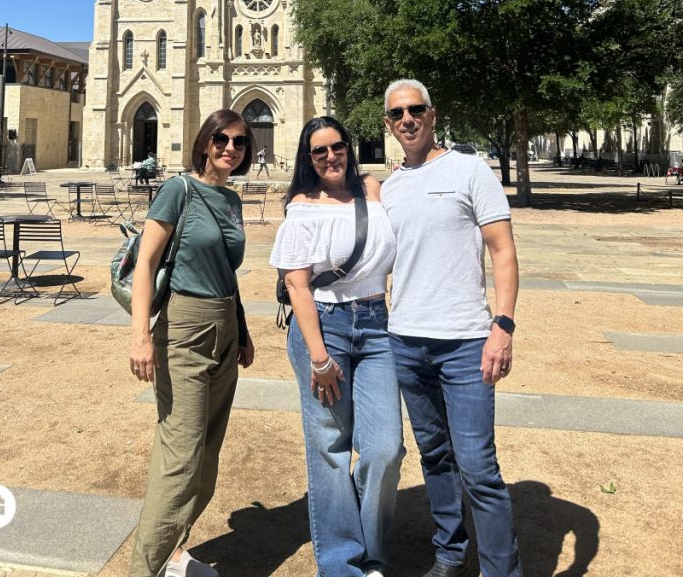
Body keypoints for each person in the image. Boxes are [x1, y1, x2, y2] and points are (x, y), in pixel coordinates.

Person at [381, 79, 522, 577]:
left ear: (432, 114)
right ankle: (449, 551)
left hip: (466, 342)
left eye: (415, 110)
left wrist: (501, 326)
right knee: (435, 457)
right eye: (397, 114)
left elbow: (503, 251)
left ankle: (500, 571)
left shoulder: (469, 170)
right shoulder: (390, 186)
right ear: (388, 124)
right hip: (407, 342)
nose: (407, 120)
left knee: (479, 469)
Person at [269, 116, 404, 577]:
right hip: (323, 330)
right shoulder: (302, 205)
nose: (330, 156)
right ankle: (343, 564)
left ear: (349, 146)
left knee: (385, 448)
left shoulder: (374, 189)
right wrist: (320, 358)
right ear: (308, 159)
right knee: (330, 448)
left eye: (337, 146)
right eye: (319, 151)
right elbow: (297, 284)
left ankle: (372, 550)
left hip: (377, 325)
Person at [128, 110, 256, 577]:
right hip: (184, 328)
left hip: (224, 328)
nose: (230, 148)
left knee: (205, 457)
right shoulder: (177, 190)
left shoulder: (231, 200)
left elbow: (228, 271)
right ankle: (145, 569)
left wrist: (241, 329)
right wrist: (141, 335)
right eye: (221, 139)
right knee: (180, 457)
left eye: (239, 142)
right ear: (204, 142)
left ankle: (174, 553)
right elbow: (145, 264)